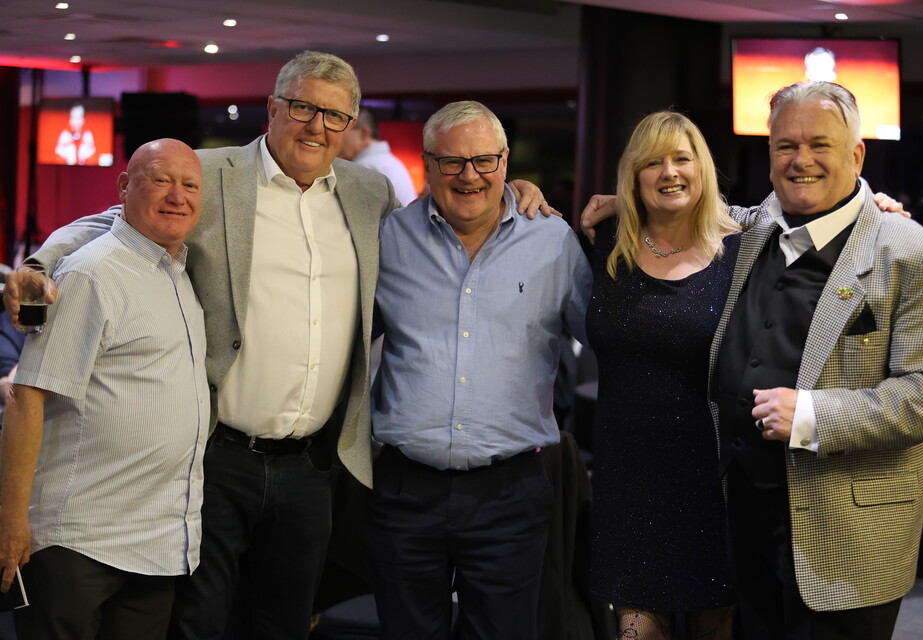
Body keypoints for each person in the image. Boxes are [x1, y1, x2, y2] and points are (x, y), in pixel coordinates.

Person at [4, 52, 551, 640]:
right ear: (272, 109)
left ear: (350, 126)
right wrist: (39, 264)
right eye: (303, 108)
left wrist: (514, 193)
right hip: (217, 458)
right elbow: (113, 219)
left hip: (314, 467)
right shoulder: (213, 174)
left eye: (334, 116)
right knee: (200, 625)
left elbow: (450, 209)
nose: (317, 126)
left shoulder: (371, 193)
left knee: (285, 625)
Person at [711, 81, 923, 639]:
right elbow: (683, 205)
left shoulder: (918, 255)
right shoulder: (751, 233)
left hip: (846, 535)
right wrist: (615, 202)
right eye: (785, 146)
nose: (801, 161)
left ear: (857, 154)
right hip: (741, 520)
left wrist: (814, 415)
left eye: (820, 144)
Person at [364, 100, 591, 640]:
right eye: (452, 162)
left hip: (509, 492)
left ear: (506, 161)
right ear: (426, 163)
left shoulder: (553, 241)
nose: (469, 176)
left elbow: (607, 335)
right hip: (403, 488)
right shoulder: (387, 240)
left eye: (484, 161)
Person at [0, 138, 208, 638]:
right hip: (79, 539)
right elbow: (26, 397)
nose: (177, 195)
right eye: (160, 180)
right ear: (123, 188)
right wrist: (10, 524)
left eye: (190, 185)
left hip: (156, 542)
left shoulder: (179, 272)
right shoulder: (92, 272)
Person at [586, 111, 743, 640]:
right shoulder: (604, 242)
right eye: (652, 162)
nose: (669, 172)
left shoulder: (741, 250)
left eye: (681, 158)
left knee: (714, 623)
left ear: (704, 169)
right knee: (636, 626)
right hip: (626, 477)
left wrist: (876, 205)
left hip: (713, 478)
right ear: (633, 176)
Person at [338, 107, 418, 205]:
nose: (337, 139)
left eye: (342, 132)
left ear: (363, 134)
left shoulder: (365, 167)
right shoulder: (387, 161)